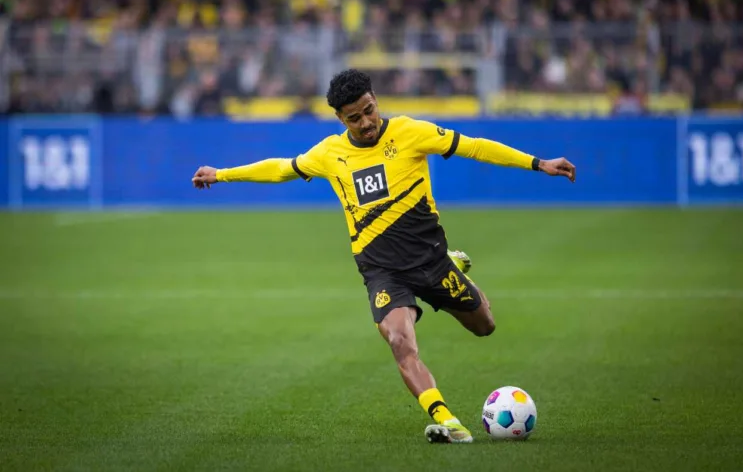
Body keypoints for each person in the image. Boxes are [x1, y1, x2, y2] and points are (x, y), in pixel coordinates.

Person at [192, 69, 576, 444]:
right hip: (383, 272)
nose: (365, 123)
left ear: (375, 100)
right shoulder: (330, 153)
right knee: (399, 340)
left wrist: (538, 163)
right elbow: (280, 169)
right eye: (354, 118)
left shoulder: (410, 132)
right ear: (340, 119)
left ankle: (456, 266)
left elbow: (474, 146)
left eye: (369, 110)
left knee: (484, 326)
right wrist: (221, 174)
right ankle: (447, 421)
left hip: (431, 261)